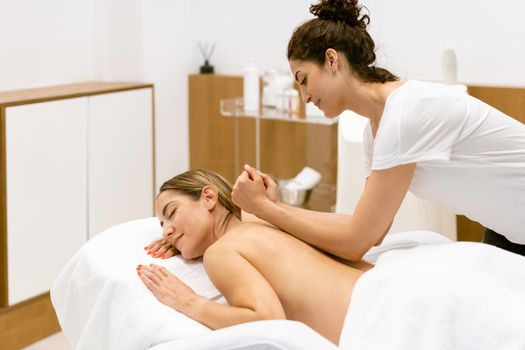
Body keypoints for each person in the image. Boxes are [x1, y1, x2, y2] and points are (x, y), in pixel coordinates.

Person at [231, 0, 525, 257]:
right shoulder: (375, 132)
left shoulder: (405, 113)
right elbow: (370, 228)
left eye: (304, 79)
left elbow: (356, 241)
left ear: (332, 60)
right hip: (507, 228)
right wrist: (278, 207)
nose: (304, 97)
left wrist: (265, 210)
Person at [140, 169, 372, 345]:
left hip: (374, 322)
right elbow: (354, 229)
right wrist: (273, 207)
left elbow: (268, 320)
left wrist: (187, 301)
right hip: (385, 290)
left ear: (209, 198)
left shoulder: (220, 253)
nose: (166, 231)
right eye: (162, 225)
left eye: (171, 213)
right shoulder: (262, 221)